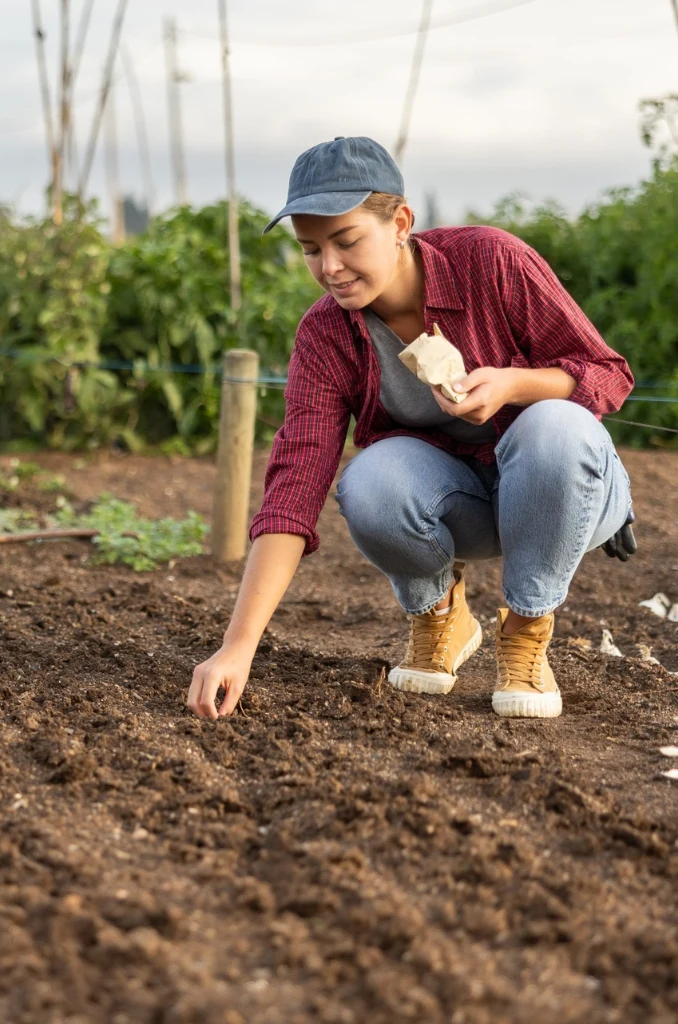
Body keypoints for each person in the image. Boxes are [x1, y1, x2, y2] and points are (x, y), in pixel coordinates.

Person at [187, 137, 634, 722]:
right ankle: (442, 617)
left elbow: (608, 373)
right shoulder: (327, 334)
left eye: (346, 241)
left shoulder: (489, 262)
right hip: (465, 507)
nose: (330, 268)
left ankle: (526, 632)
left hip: (562, 489)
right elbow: (296, 482)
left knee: (553, 425)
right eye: (310, 249)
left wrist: (510, 385)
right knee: (370, 479)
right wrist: (237, 647)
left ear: (400, 221)